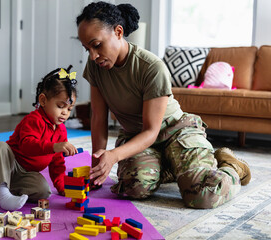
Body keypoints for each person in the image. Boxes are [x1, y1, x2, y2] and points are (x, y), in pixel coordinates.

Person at [76, 1, 251, 209]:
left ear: (118, 32)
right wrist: (98, 163)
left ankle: (230, 165)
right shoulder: (96, 67)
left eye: (97, 45)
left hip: (175, 131)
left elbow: (152, 131)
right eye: (87, 49)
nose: (93, 56)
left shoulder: (151, 67)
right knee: (133, 187)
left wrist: (113, 156)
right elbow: (98, 117)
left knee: (202, 195)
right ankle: (172, 165)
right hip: (135, 136)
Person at [0, 66, 79, 210]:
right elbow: (27, 145)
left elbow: (57, 163)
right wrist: (54, 146)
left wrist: (62, 187)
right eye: (61, 106)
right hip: (9, 164)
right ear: (43, 100)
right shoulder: (33, 119)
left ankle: (3, 186)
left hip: (26, 174)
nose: (65, 113)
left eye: (69, 109)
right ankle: (3, 192)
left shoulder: (61, 131)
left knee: (43, 191)